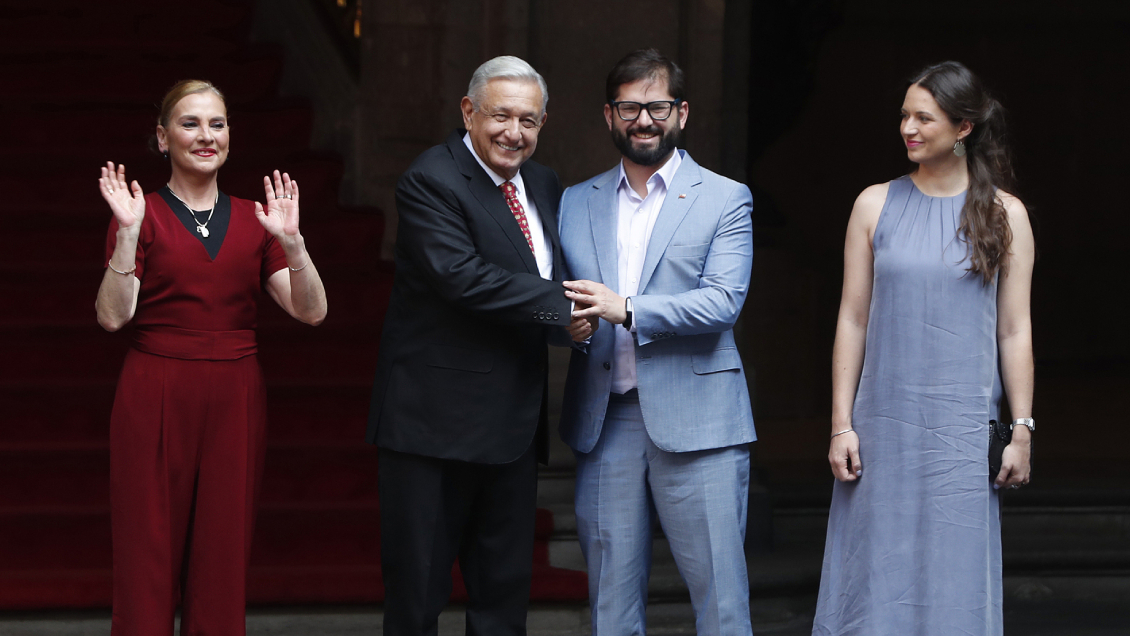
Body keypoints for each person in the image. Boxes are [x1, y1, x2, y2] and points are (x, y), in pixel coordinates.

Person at [365, 56, 593, 636]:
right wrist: (563, 309)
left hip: (512, 424)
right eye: (501, 116)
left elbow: (548, 270)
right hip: (433, 426)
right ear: (468, 112)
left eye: (530, 121)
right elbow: (460, 276)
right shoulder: (431, 179)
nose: (515, 133)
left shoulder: (542, 181)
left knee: (503, 595)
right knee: (418, 597)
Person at [95, 79, 327, 635]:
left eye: (217, 124)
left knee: (222, 559)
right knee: (145, 554)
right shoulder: (140, 213)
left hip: (235, 394)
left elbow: (311, 311)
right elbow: (111, 316)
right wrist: (126, 237)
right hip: (154, 388)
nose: (206, 136)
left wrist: (293, 243)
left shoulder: (258, 218)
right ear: (162, 138)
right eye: (190, 123)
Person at [813, 61, 1034, 635]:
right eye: (904, 115)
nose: (908, 128)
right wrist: (842, 423)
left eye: (923, 117)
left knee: (956, 579)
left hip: (961, 433)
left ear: (962, 127)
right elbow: (853, 318)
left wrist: (1022, 428)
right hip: (883, 427)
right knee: (874, 578)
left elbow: (1015, 330)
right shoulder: (873, 204)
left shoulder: (1005, 214)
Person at [558, 48, 757, 636]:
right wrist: (563, 324)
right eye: (629, 107)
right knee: (609, 609)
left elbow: (724, 302)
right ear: (608, 115)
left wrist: (628, 308)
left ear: (683, 113)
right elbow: (555, 293)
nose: (643, 120)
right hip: (606, 422)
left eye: (657, 106)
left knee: (720, 603)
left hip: (702, 424)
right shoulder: (575, 201)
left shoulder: (726, 197)